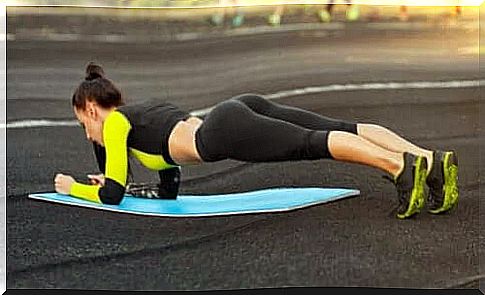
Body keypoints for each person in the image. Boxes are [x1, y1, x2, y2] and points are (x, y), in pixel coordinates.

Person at [54, 62, 459, 219]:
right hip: (232, 111)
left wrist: (73, 188)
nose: (87, 133)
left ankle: (400, 168)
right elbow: (168, 186)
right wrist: (115, 180)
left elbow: (112, 194)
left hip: (224, 129)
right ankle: (430, 160)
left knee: (311, 143)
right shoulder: (144, 114)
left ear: (92, 109)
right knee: (343, 126)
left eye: (82, 123)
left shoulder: (115, 125)